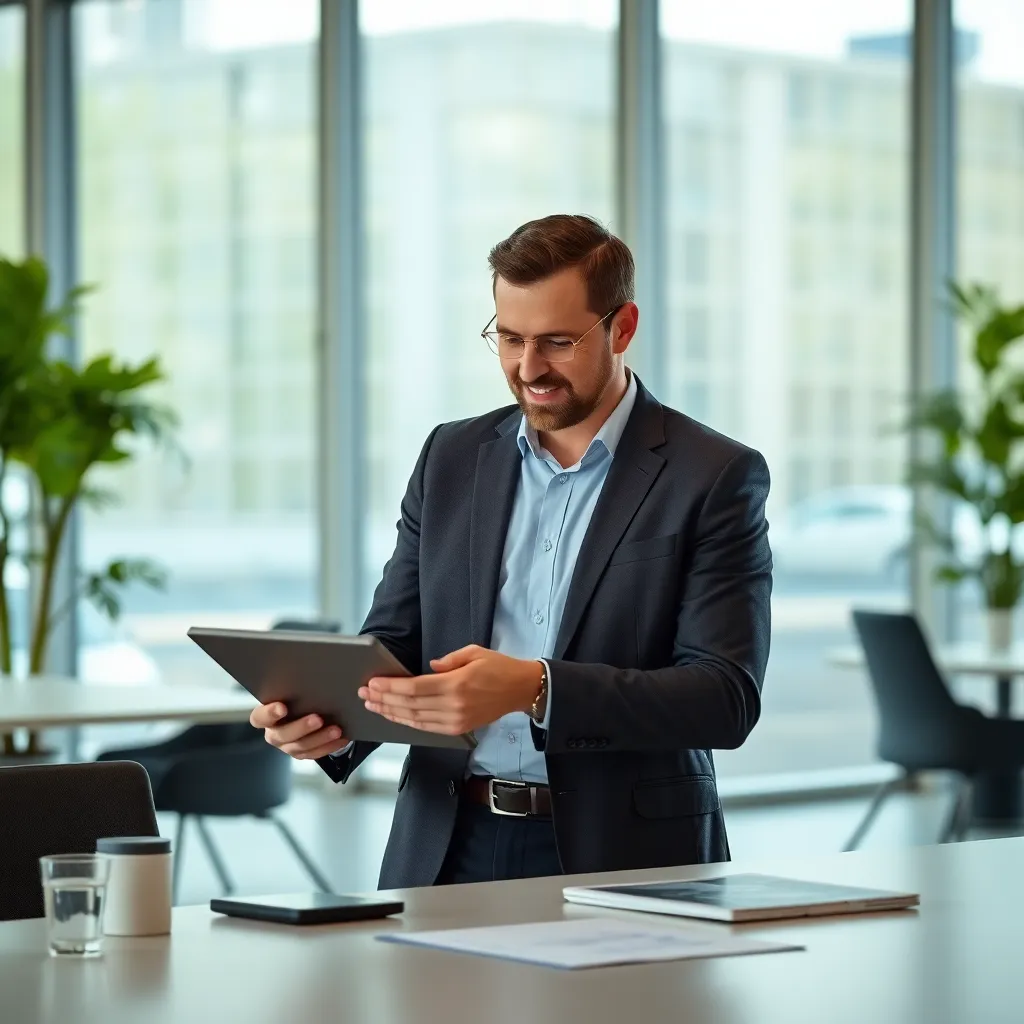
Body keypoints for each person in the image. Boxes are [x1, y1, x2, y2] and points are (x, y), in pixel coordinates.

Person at [250, 214, 772, 888]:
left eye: (558, 341)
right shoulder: (452, 457)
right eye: (510, 338)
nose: (529, 369)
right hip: (446, 846)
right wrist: (334, 724)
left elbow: (724, 698)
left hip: (631, 855)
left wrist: (535, 687)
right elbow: (397, 648)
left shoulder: (713, 475)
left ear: (623, 327)